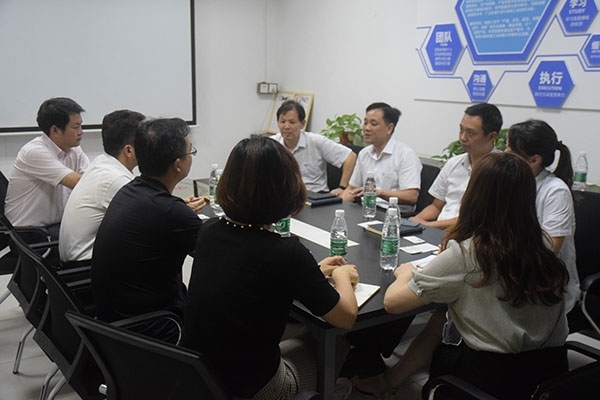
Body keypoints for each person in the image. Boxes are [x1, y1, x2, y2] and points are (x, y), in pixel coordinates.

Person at [180, 136, 359, 399]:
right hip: (253, 388)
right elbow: (346, 317)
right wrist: (342, 276)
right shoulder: (286, 252)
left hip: (196, 376)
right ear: (286, 188)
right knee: (336, 343)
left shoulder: (209, 231)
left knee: (296, 340)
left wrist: (313, 271)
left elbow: (249, 274)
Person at [384, 152, 569, 399]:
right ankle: (388, 381)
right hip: (548, 376)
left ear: (474, 194)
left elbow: (393, 303)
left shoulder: (468, 253)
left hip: (492, 380)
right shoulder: (543, 244)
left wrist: (405, 272)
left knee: (444, 319)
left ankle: (384, 380)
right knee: (442, 317)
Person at [92, 118, 203, 344]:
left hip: (114, 323)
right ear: (178, 165)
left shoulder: (129, 191)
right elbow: (223, 257)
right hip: (154, 329)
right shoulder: (171, 212)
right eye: (190, 151)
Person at [59, 110, 206, 263]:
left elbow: (156, 210)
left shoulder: (105, 164)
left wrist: (179, 208)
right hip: (86, 265)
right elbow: (160, 216)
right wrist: (182, 211)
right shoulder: (116, 180)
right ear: (129, 150)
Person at [506, 119, 580, 314]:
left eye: (511, 151)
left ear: (534, 160)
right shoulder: (513, 182)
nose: (505, 154)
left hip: (544, 289)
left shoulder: (556, 191)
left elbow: (549, 250)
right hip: (510, 277)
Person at [5, 97, 89, 239]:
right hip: (28, 233)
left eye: (81, 126)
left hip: (54, 227)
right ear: (55, 130)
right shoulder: (34, 152)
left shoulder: (74, 149)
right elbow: (80, 182)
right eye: (75, 127)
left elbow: (90, 178)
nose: (81, 132)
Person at [411, 102, 503, 229]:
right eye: (461, 130)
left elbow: (476, 219)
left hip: (468, 235)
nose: (462, 138)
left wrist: (428, 226)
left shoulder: (501, 170)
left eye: (470, 133)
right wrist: (415, 221)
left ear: (491, 136)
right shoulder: (454, 163)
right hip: (438, 230)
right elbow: (436, 206)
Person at [341, 102, 421, 214]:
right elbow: (351, 189)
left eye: (373, 124)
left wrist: (379, 193)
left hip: (393, 214)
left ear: (389, 128)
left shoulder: (406, 155)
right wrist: (337, 207)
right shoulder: (364, 153)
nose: (366, 128)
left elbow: (411, 196)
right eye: (365, 123)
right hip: (366, 209)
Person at [271, 100, 357, 195]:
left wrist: (342, 187)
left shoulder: (316, 141)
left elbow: (350, 156)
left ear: (302, 124)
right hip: (284, 195)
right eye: (282, 122)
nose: (286, 127)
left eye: (292, 122)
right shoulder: (272, 144)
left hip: (315, 195)